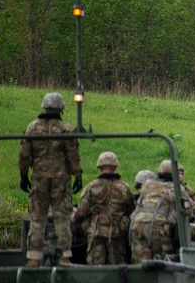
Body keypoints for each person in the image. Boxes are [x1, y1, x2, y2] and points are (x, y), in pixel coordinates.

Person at [18, 92, 83, 266]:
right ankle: (64, 256)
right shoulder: (65, 129)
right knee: (62, 217)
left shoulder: (32, 128)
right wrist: (78, 176)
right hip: (61, 180)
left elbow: (23, 154)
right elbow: (73, 156)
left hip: (39, 179)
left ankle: (33, 257)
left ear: (44, 106)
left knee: (38, 217)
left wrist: (23, 175)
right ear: (61, 108)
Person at [73, 151, 135, 265]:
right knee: (118, 270)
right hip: (117, 234)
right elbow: (131, 209)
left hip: (96, 234)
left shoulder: (91, 187)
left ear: (100, 166)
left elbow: (82, 211)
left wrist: (75, 219)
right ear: (115, 166)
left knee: (95, 270)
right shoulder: (124, 188)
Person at [129, 159, 188, 262]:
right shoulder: (177, 188)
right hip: (157, 225)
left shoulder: (147, 184)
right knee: (164, 261)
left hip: (136, 224)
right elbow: (188, 211)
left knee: (139, 261)